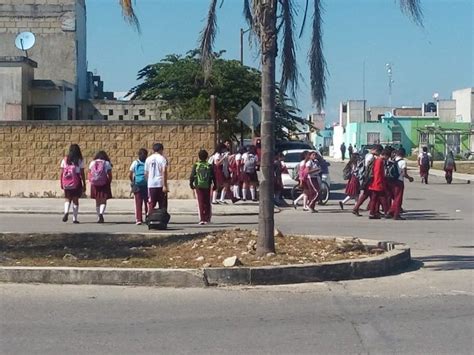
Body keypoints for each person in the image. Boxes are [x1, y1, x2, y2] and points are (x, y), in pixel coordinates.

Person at [60, 144, 86, 224]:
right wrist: (84, 183)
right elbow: (82, 173)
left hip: (67, 181)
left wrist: (61, 182)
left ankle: (66, 212)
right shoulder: (80, 160)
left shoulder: (65, 159)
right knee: (75, 200)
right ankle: (74, 219)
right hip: (76, 181)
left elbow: (61, 172)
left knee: (67, 198)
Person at [190, 149, 217, 225]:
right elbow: (213, 177)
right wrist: (215, 185)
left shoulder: (196, 165)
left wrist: (191, 184)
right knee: (207, 202)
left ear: (198, 157)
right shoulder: (209, 165)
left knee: (200, 202)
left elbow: (192, 176)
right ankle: (207, 218)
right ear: (207, 157)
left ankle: (202, 219)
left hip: (198, 185)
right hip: (207, 185)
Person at [387, 148, 414, 220]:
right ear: (404, 154)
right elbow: (404, 174)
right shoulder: (403, 162)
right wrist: (410, 178)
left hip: (391, 181)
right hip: (399, 181)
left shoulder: (393, 160)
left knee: (394, 198)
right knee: (398, 198)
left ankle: (391, 211)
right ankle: (396, 214)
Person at [352, 145, 378, 216]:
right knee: (372, 195)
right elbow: (370, 168)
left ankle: (356, 208)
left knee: (365, 195)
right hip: (370, 178)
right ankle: (373, 212)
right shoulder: (371, 157)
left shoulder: (367, 156)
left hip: (366, 178)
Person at [89, 150, 113, 223]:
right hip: (104, 183)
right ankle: (101, 214)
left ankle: (98, 216)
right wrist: (109, 182)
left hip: (94, 184)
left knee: (97, 201)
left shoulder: (92, 163)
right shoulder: (106, 163)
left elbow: (89, 173)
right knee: (103, 200)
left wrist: (91, 181)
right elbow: (110, 175)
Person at [145, 143, 168, 213]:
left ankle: (150, 217)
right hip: (160, 183)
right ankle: (162, 219)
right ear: (161, 150)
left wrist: (148, 182)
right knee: (162, 204)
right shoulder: (162, 159)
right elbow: (164, 172)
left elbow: (146, 173)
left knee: (151, 203)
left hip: (151, 184)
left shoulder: (148, 159)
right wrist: (164, 185)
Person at [367, 147, 388, 219]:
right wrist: (380, 182)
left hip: (374, 183)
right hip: (378, 183)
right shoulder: (380, 161)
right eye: (387, 156)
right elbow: (378, 173)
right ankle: (386, 212)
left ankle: (372, 213)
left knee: (374, 199)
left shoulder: (376, 160)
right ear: (384, 155)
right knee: (383, 198)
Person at [129, 148, 148, 225]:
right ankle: (148, 217)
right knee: (147, 202)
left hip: (137, 185)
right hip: (146, 185)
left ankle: (138, 219)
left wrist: (133, 181)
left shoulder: (135, 162)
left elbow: (129, 174)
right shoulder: (147, 162)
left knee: (138, 203)